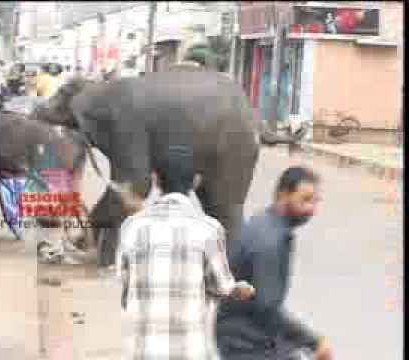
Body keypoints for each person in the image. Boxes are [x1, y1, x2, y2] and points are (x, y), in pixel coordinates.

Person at [117, 146, 256, 360]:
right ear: (195, 182)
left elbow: (126, 291)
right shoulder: (209, 229)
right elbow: (222, 287)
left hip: (141, 353)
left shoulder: (132, 227)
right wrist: (238, 289)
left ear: (155, 180)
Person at [216, 166, 334, 360]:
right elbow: (267, 308)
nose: (312, 209)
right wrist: (314, 342)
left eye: (315, 201)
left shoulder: (265, 221)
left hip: (243, 334)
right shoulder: (269, 242)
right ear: (283, 195)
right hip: (245, 342)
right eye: (305, 200)